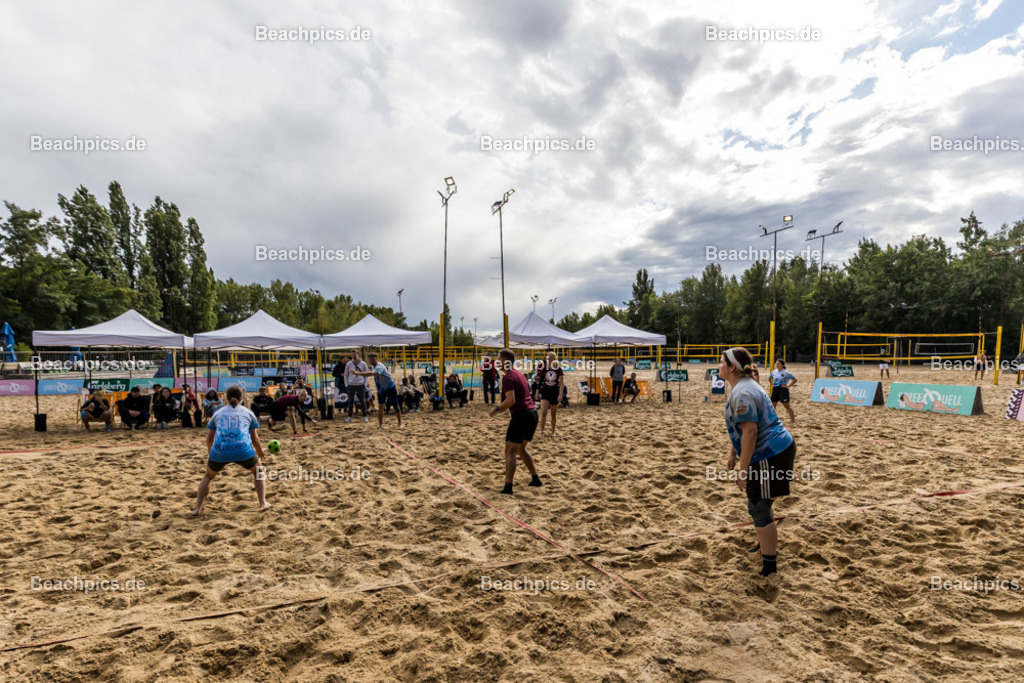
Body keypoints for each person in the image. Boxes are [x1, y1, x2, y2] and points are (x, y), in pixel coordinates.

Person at [719, 347, 796, 578]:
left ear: (732, 367)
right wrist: (734, 453)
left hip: (769, 453)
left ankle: (769, 566)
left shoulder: (742, 392)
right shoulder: (746, 386)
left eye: (721, 362)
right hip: (775, 449)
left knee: (758, 507)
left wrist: (743, 469)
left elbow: (751, 431)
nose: (718, 366)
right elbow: (743, 428)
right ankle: (764, 545)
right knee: (761, 503)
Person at [192, 385, 269, 516]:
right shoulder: (248, 412)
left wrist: (211, 452)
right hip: (243, 449)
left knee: (208, 476)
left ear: (226, 398)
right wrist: (260, 452)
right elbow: (255, 439)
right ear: (242, 398)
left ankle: (197, 508)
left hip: (220, 450)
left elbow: (209, 439)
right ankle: (262, 502)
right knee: (258, 471)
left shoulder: (218, 413)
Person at [489, 348, 542, 495]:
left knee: (510, 451)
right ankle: (535, 479)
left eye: (498, 359)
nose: (496, 362)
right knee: (521, 449)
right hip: (532, 414)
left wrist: (497, 409)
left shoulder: (508, 377)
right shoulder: (518, 374)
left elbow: (511, 400)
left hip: (522, 415)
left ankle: (508, 487)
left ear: (505, 361)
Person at [352, 352, 402, 429]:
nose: (372, 360)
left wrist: (358, 373)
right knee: (381, 407)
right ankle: (380, 426)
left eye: (373, 359)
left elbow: (371, 374)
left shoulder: (380, 366)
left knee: (395, 405)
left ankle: (399, 424)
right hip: (381, 390)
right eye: (370, 359)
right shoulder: (373, 366)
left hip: (390, 387)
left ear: (376, 359)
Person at [536, 352, 564, 437]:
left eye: (549, 358)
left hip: (554, 392)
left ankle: (553, 431)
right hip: (545, 391)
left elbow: (562, 383)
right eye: (547, 358)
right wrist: (537, 391)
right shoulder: (545, 368)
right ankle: (542, 431)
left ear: (553, 359)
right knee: (544, 412)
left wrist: (560, 394)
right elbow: (540, 381)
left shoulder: (559, 369)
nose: (547, 360)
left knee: (553, 414)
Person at [344, 350, 370, 423]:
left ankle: (365, 416)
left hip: (360, 384)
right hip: (351, 384)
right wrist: (346, 384)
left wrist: (365, 384)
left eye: (355, 354)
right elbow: (346, 374)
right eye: (352, 355)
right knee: (350, 401)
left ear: (358, 354)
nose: (354, 356)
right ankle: (349, 416)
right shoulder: (348, 364)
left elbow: (366, 374)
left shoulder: (363, 364)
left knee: (362, 400)